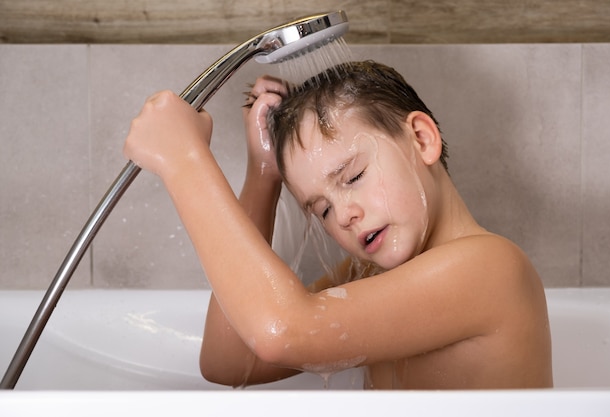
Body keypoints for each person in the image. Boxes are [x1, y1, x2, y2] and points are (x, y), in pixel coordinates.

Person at [123, 60, 553, 389]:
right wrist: (264, 174)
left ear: (421, 139)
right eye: (322, 209)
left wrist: (185, 162)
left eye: (353, 177)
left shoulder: (489, 268)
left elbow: (284, 331)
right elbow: (232, 361)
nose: (344, 214)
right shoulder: (370, 275)